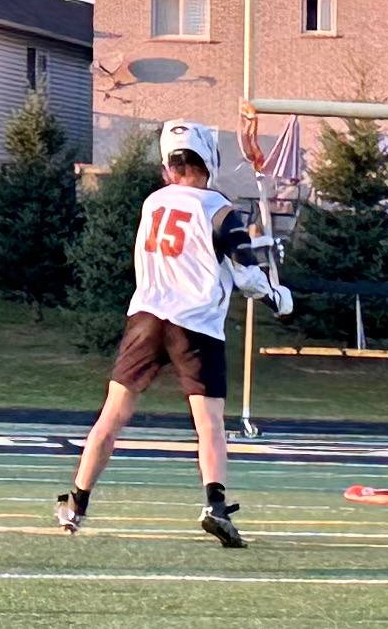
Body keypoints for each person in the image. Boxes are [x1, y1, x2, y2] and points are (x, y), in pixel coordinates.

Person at [55, 120, 293, 547]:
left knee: (111, 417)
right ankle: (215, 506)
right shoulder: (220, 209)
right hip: (195, 323)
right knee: (209, 425)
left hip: (146, 317)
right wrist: (278, 295)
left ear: (168, 165)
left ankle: (76, 505)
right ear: (208, 160)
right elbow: (246, 277)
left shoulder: (152, 203)